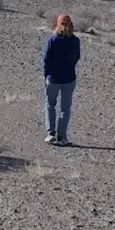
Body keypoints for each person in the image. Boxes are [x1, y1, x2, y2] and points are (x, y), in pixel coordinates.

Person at [39, 13, 80, 145]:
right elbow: (77, 58)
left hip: (53, 78)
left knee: (50, 104)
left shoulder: (53, 39)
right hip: (69, 78)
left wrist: (46, 74)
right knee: (65, 108)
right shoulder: (75, 40)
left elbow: (46, 59)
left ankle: (50, 133)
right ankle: (62, 136)